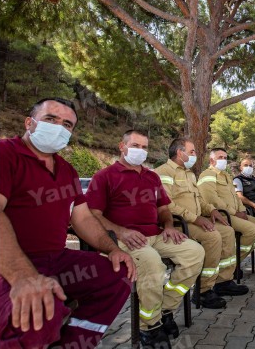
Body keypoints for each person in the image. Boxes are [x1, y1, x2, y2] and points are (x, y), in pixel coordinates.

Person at [0, 98, 136, 349]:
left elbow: (83, 218)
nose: (59, 127)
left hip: (56, 259)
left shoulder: (67, 171)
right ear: (30, 123)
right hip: (6, 264)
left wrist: (113, 249)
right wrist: (22, 277)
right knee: (39, 310)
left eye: (67, 124)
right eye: (51, 119)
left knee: (119, 274)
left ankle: (74, 344)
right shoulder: (3, 154)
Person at [86, 130, 205, 348]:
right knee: (152, 264)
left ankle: (165, 309)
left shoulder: (152, 177)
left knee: (195, 252)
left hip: (156, 235)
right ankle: (149, 326)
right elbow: (93, 214)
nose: (140, 151)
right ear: (122, 146)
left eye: (144, 147)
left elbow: (164, 209)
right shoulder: (104, 176)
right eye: (135, 146)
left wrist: (168, 226)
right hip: (124, 240)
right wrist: (121, 232)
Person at [155, 138, 248, 310]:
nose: (195, 155)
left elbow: (199, 199)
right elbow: (166, 204)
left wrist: (211, 210)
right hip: (179, 223)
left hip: (197, 220)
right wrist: (196, 218)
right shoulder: (164, 172)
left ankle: (222, 281)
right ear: (179, 152)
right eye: (192, 152)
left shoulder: (189, 174)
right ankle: (203, 292)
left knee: (227, 231)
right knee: (212, 237)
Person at [197, 149, 255, 273]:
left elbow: (235, 196)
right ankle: (229, 268)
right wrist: (235, 213)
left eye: (225, 157)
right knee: (251, 229)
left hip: (235, 213)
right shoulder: (207, 175)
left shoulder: (226, 176)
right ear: (212, 160)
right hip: (222, 215)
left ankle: (234, 263)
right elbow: (212, 199)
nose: (223, 160)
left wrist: (242, 211)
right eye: (220, 157)